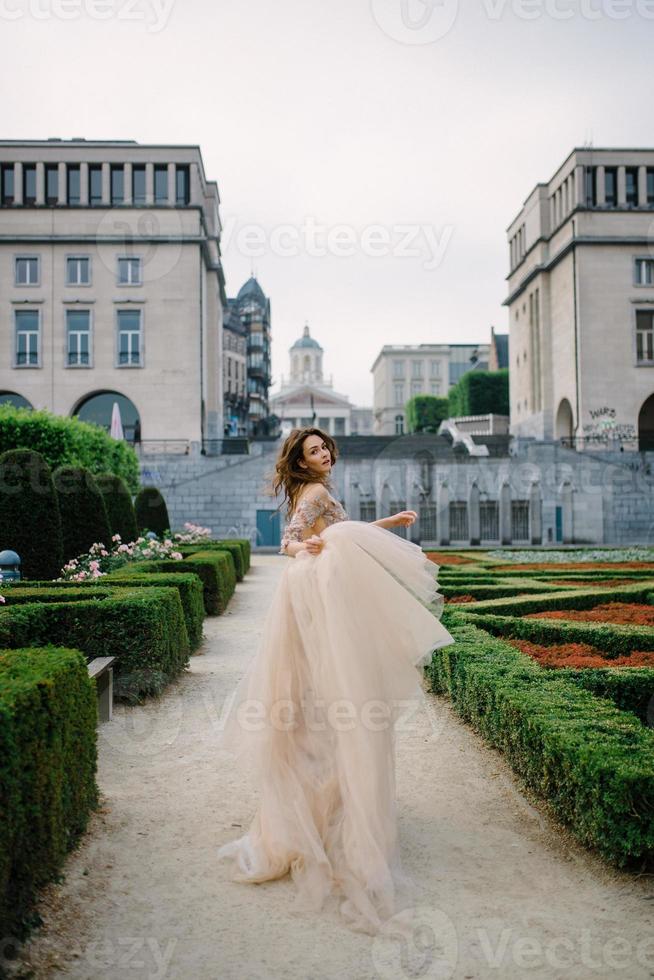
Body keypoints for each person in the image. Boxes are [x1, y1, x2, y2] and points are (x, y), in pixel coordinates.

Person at [216, 427, 454, 935]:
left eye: (324, 448)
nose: (323, 455)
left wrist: (388, 522)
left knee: (315, 706)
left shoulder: (317, 493)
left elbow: (345, 531)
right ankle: (331, 822)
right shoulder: (314, 492)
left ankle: (313, 817)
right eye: (313, 452)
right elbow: (288, 542)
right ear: (302, 463)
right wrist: (309, 549)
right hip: (313, 593)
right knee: (333, 698)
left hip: (309, 592)